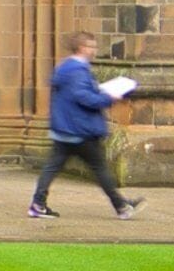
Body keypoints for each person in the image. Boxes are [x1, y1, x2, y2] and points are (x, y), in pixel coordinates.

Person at [29, 30, 139, 220]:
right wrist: (109, 97)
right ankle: (121, 206)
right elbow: (84, 97)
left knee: (52, 168)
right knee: (100, 168)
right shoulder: (77, 70)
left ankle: (38, 204)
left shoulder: (66, 67)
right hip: (80, 130)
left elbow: (77, 94)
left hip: (65, 129)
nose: (94, 50)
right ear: (81, 48)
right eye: (91, 46)